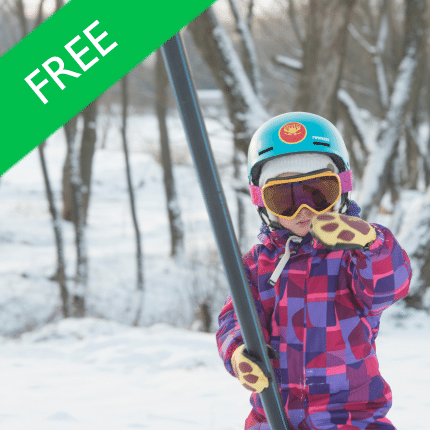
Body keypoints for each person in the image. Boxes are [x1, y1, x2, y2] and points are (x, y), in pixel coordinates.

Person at [216, 112, 412, 430]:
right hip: (275, 419)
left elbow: (390, 285)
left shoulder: (353, 257)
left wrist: (370, 243)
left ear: (343, 186)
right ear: (262, 202)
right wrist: (239, 351)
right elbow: (234, 320)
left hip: (353, 420)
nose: (304, 209)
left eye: (319, 192)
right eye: (285, 198)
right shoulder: (255, 266)